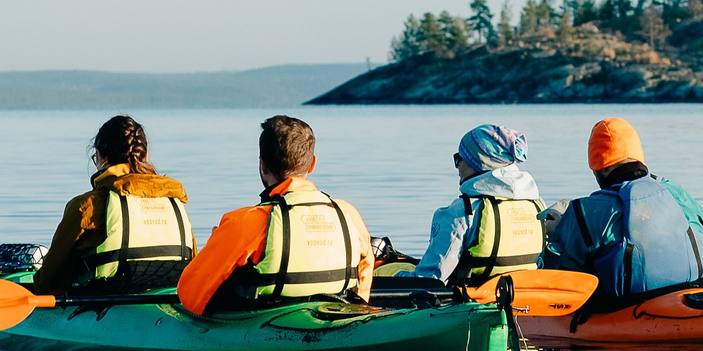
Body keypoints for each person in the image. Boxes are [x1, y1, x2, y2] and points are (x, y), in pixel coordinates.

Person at [176, 115, 375, 315]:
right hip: (341, 313)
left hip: (266, 321)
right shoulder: (347, 214)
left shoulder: (244, 223)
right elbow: (364, 273)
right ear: (312, 164)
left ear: (263, 165)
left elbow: (189, 295)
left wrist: (216, 243)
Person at [541, 117, 703, 303]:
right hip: (696, 289)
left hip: (628, 306)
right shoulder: (678, 192)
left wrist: (558, 232)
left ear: (597, 169)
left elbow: (557, 278)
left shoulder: (584, 211)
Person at [33, 115, 196, 297]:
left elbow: (48, 284)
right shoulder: (175, 205)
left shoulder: (87, 206)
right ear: (146, 155)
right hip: (170, 301)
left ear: (101, 157)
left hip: (104, 300)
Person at [415, 123, 544, 286]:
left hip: (473, 300)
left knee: (390, 267)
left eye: (459, 158)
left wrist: (396, 273)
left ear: (475, 162)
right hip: (522, 295)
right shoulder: (536, 204)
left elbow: (430, 279)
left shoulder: (462, 210)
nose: (457, 166)